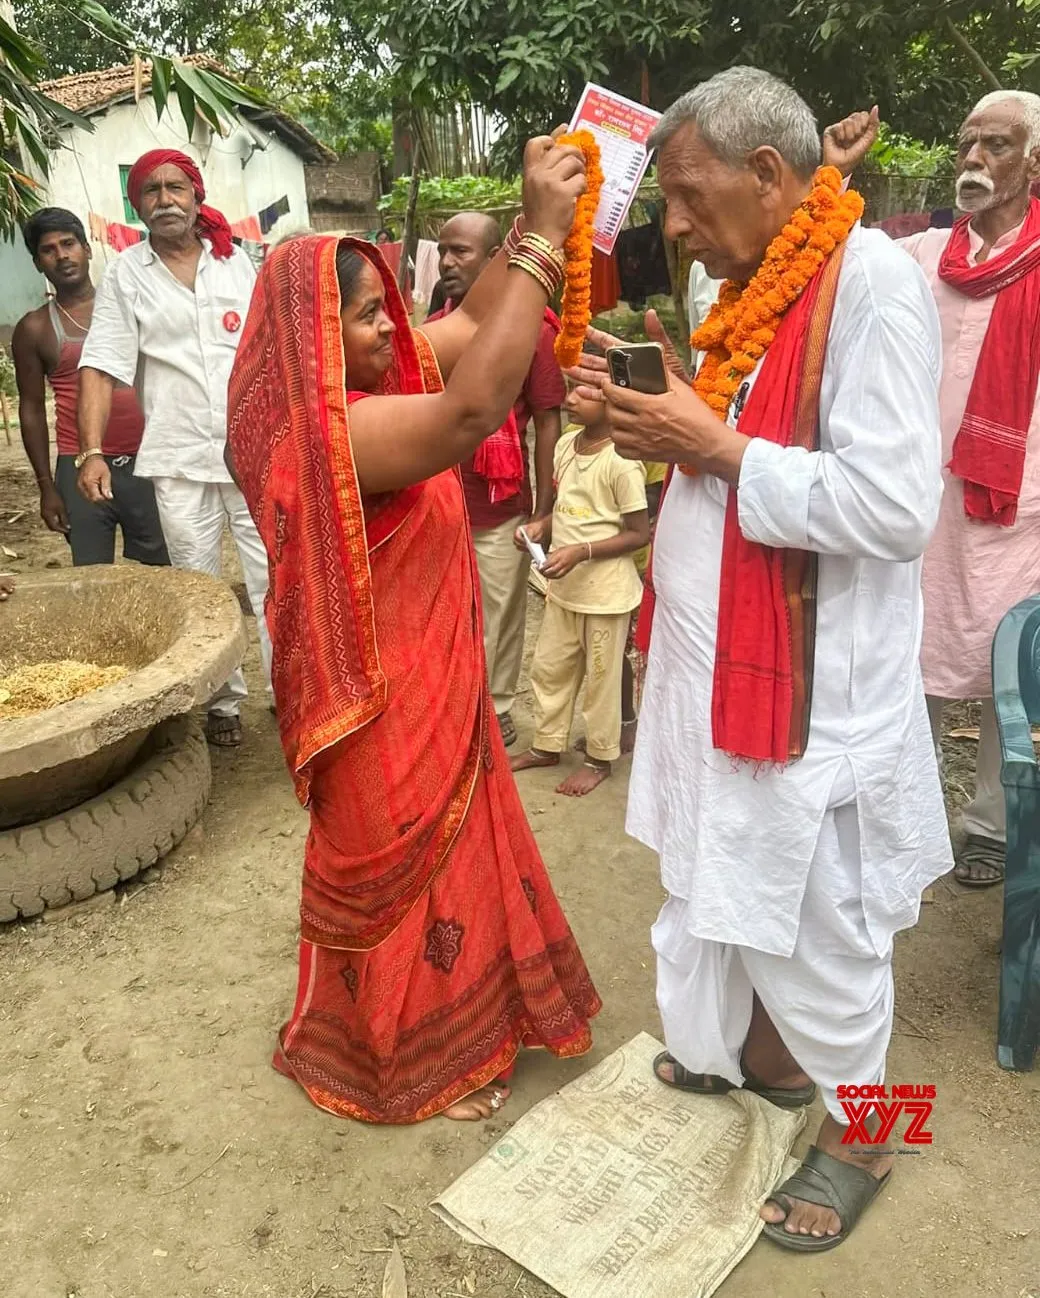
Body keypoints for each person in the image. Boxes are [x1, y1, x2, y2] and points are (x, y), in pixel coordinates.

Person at [570, 67, 951, 1250]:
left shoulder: (875, 287)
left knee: (824, 928)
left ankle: (876, 1125)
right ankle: (743, 1058)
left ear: (769, 175)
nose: (669, 223)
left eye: (686, 195)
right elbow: (727, 435)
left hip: (806, 693)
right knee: (709, 885)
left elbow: (894, 510)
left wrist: (719, 447)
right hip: (710, 668)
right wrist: (655, 415)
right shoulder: (735, 282)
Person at [224, 136, 601, 1124]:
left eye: (385, 308)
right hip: (380, 703)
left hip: (436, 676)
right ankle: (403, 1057)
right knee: (404, 871)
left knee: (456, 853)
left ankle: (476, 1022)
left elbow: (476, 314)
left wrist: (536, 212)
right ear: (311, 340)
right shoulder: (334, 433)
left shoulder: (367, 371)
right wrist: (549, 244)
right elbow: (472, 407)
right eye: (362, 319)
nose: (389, 330)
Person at [824, 93, 1040, 889]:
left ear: (1035, 165)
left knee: (1006, 668)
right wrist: (836, 175)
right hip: (918, 498)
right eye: (966, 144)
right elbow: (826, 256)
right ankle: (896, 812)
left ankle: (989, 825)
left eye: (998, 146)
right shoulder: (920, 257)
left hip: (1018, 510)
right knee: (906, 648)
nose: (975, 160)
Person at [77, 149, 270, 749]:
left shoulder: (239, 264)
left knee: (273, 579)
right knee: (199, 584)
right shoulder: (126, 276)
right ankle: (222, 703)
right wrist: (90, 451)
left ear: (196, 195)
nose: (165, 199)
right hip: (179, 457)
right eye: (152, 191)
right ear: (137, 206)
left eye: (176, 187)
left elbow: (276, 353)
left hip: (254, 453)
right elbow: (101, 365)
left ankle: (294, 692)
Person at [427, 211, 566, 748]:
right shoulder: (434, 331)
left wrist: (543, 511)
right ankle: (453, 704)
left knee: (500, 614)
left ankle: (496, 706)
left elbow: (549, 419)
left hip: (501, 505)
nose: (446, 261)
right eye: (442, 250)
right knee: (445, 611)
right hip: (437, 498)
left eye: (460, 251)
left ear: (493, 261)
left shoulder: (533, 331)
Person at [510, 378, 649, 795]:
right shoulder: (567, 446)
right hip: (565, 590)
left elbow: (638, 532)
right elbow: (571, 511)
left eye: (584, 393)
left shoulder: (622, 461)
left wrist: (581, 551)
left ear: (612, 403)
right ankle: (547, 744)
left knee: (602, 680)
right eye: (569, 388)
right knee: (550, 668)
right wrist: (540, 527)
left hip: (605, 596)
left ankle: (600, 756)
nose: (569, 398)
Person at [12, 209, 168, 568]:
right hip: (79, 464)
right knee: (91, 574)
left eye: (69, 244)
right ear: (38, 263)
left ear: (87, 248)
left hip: (147, 458)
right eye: (49, 250)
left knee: (163, 569)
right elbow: (32, 409)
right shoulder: (35, 329)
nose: (62, 255)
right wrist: (46, 487)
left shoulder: (134, 306)